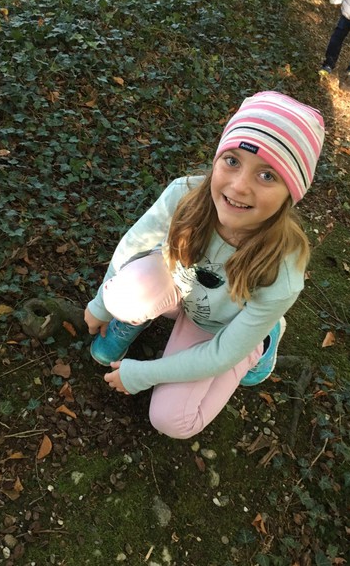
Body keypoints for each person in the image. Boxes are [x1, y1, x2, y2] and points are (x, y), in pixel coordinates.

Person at [84, 91, 325, 440]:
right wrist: (101, 304)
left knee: (172, 421)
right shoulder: (184, 195)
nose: (238, 186)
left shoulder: (282, 273)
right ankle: (135, 317)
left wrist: (145, 373)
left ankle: (262, 336)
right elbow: (133, 244)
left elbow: (219, 354)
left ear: (292, 192)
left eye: (267, 176)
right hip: (181, 292)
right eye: (232, 160)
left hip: (220, 329)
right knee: (120, 296)